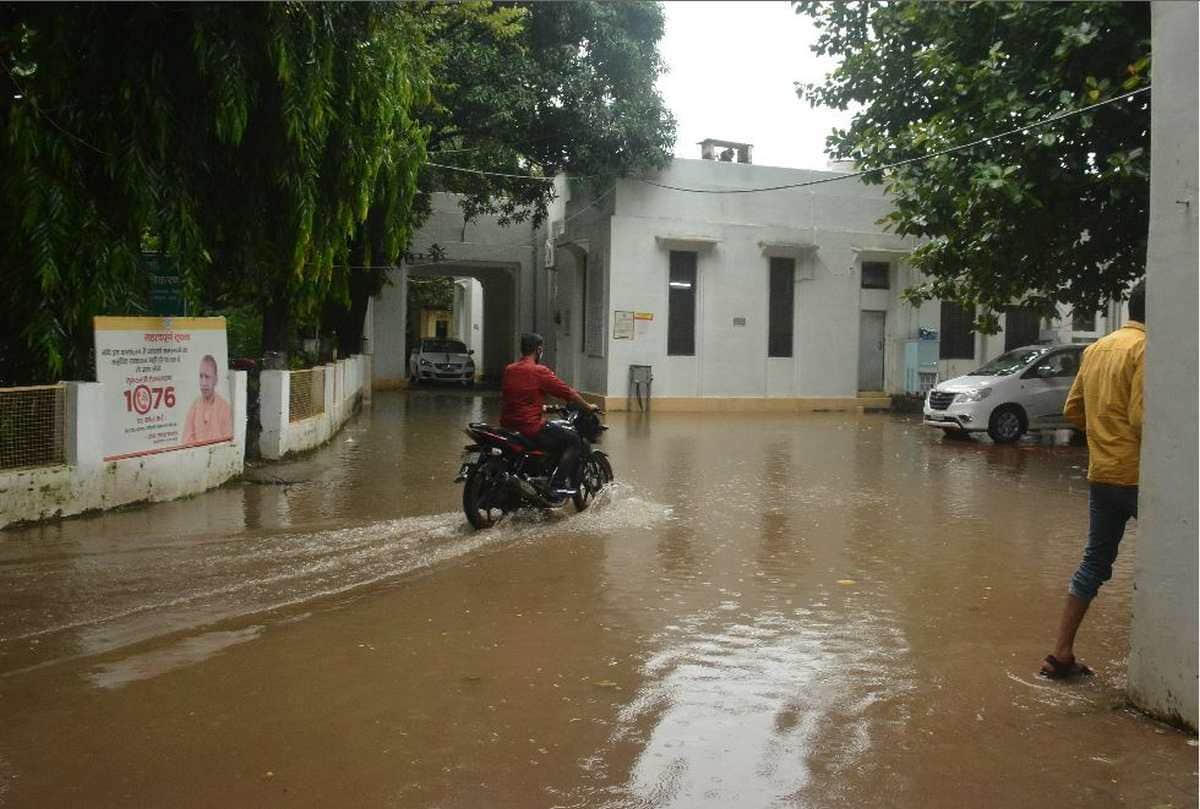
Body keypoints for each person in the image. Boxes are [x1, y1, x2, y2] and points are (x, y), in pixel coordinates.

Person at [1040, 281, 1145, 679]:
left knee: (1095, 561)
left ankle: (1061, 652)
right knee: (1174, 561)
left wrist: (1104, 438)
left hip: (1102, 473)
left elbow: (1073, 410)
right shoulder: (1144, 349)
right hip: (1139, 478)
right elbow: (1141, 418)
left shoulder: (1096, 348)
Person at [500, 333, 599, 502]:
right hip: (530, 427)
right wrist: (588, 406)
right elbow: (567, 392)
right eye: (541, 349)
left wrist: (545, 407)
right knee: (574, 440)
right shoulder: (539, 371)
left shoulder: (510, 370)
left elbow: (519, 398)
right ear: (539, 350)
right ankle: (557, 485)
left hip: (509, 427)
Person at [182, 354, 234, 445]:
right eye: (201, 376)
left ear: (215, 379)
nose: (203, 383)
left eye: (207, 377)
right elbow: (186, 440)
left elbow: (227, 442)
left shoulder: (224, 407)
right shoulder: (195, 406)